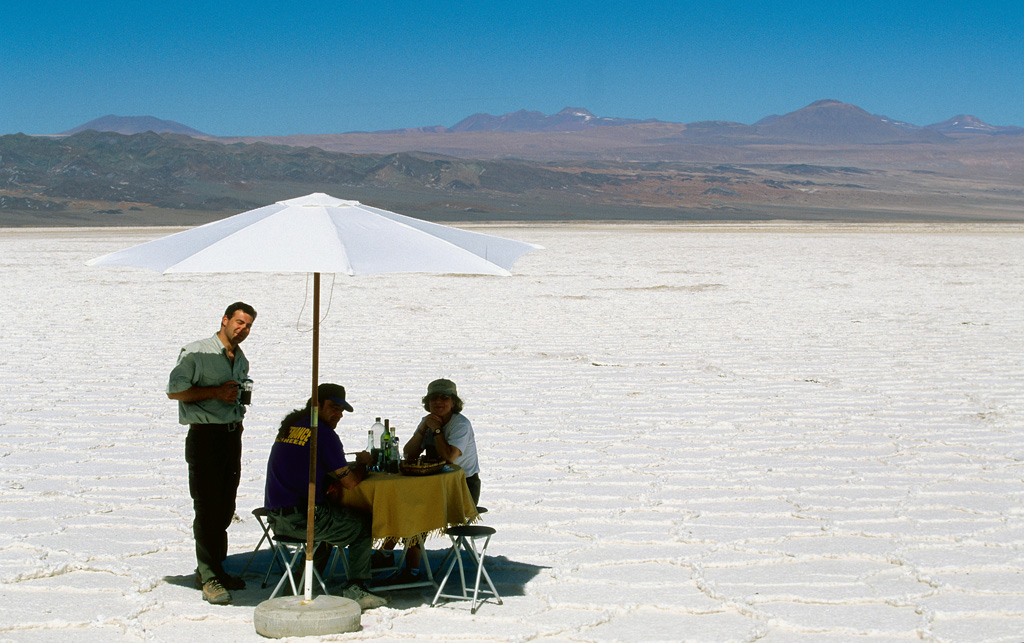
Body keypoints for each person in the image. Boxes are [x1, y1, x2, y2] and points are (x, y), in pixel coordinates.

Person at [264, 383, 388, 610]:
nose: (338, 415)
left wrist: (328, 480)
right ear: (316, 405)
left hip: (276, 519)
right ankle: (356, 586)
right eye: (333, 407)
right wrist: (363, 464)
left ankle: (301, 582)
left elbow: (303, 467)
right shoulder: (323, 434)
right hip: (304, 519)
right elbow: (350, 482)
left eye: (341, 410)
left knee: (332, 521)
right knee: (362, 525)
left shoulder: (292, 426)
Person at [167, 301, 256, 605]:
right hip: (205, 437)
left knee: (225, 506)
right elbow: (175, 390)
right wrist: (216, 393)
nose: (242, 329)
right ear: (225, 319)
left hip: (232, 436)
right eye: (239, 322)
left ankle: (215, 568)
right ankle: (209, 577)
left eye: (248, 326)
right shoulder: (197, 352)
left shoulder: (240, 358)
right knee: (207, 507)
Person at [389, 378, 480, 581]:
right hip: (433, 484)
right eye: (433, 398)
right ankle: (386, 553)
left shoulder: (461, 425)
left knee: (416, 511)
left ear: (454, 402)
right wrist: (424, 428)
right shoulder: (428, 420)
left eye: (444, 398)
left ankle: (411, 570)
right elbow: (409, 453)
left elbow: (449, 456)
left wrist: (437, 431)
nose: (438, 402)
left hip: (462, 488)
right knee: (400, 504)